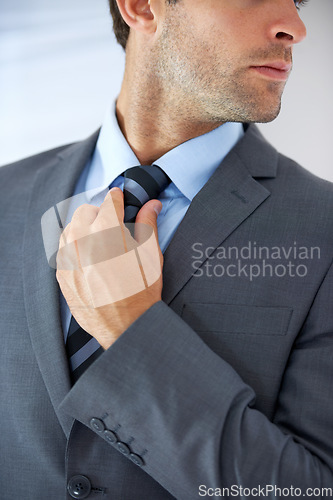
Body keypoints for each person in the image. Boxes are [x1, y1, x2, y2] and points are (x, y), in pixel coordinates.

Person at [1, 0, 332, 498]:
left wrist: (132, 331)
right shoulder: (7, 197)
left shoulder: (323, 228)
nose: (296, 27)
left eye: (297, 2)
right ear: (140, 6)